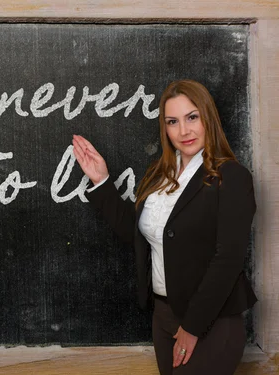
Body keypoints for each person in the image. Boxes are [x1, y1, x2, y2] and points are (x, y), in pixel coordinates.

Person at [72, 79, 257, 375]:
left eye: (192, 117)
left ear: (208, 117)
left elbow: (229, 259)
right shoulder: (160, 177)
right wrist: (101, 181)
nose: (183, 131)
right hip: (164, 316)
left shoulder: (230, 177)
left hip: (211, 320)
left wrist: (192, 327)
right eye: (173, 122)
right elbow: (140, 235)